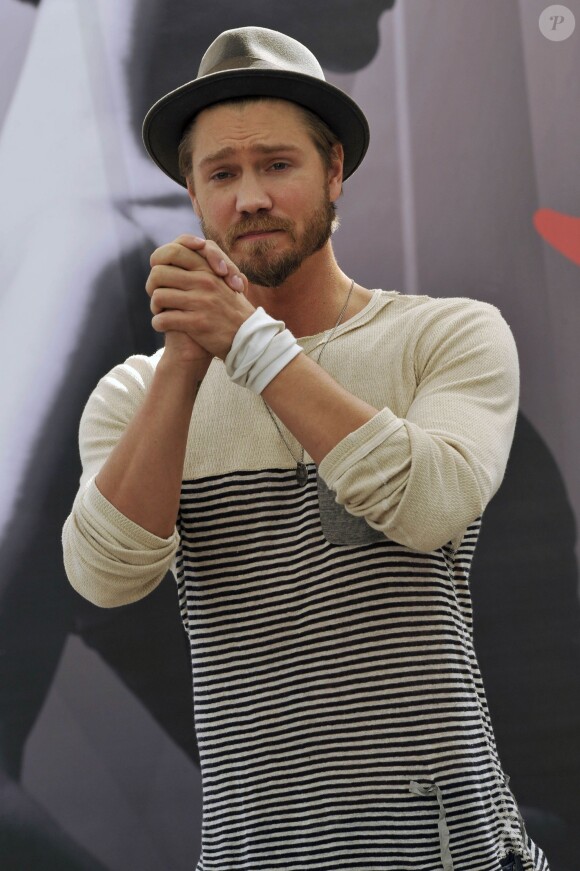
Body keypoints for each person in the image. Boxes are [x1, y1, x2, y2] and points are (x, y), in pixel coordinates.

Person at [63, 26, 549, 871]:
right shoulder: (137, 395)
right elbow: (106, 577)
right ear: (193, 195)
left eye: (277, 165)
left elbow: (431, 504)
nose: (250, 196)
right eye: (221, 173)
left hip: (452, 851)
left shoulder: (449, 335)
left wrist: (245, 340)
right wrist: (186, 357)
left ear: (333, 171)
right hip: (258, 853)